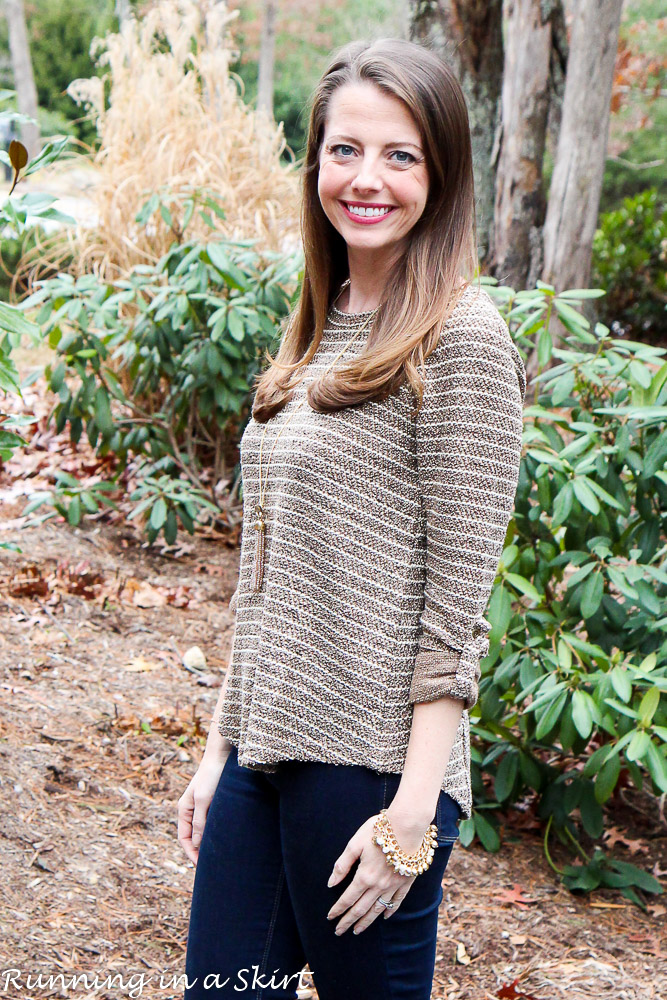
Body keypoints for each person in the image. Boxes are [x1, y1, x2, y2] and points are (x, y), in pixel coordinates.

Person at [178, 36, 526, 1000]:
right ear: (316, 163)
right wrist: (220, 751)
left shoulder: (460, 340)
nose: (365, 179)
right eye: (344, 150)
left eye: (399, 156)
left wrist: (412, 818)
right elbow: (264, 576)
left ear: (441, 175)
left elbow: (457, 610)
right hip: (265, 751)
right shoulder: (315, 328)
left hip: (371, 770)